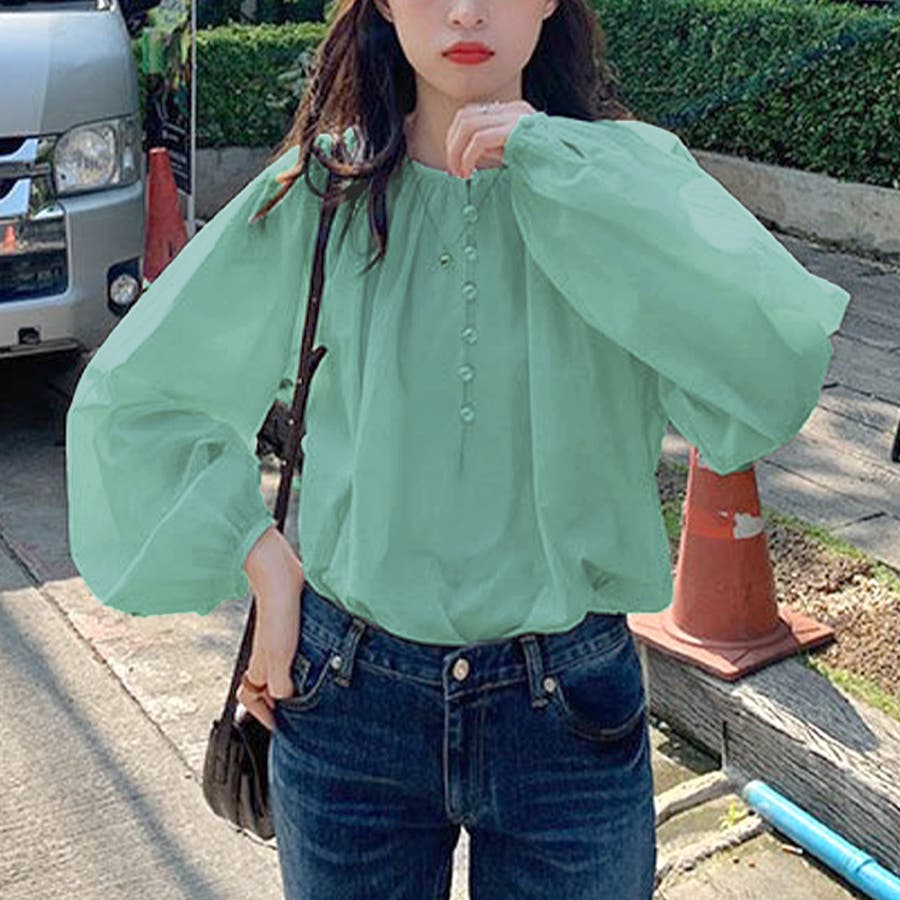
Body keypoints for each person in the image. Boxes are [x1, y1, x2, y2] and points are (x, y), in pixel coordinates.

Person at [65, 0, 852, 896]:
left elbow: (770, 374)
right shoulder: (328, 188)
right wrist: (264, 562)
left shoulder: (622, 177)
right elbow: (138, 403)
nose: (467, 11)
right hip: (348, 698)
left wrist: (569, 172)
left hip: (569, 709)